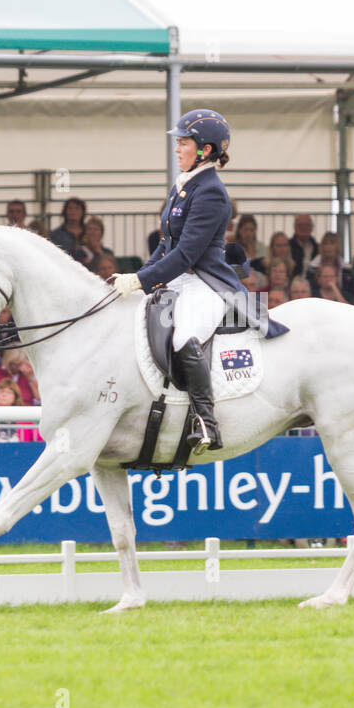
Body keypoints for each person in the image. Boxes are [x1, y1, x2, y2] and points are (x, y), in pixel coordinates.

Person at [108, 109, 289, 452]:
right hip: (178, 279)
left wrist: (141, 281)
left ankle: (205, 419)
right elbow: (166, 245)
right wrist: (138, 279)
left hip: (204, 282)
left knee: (184, 338)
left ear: (204, 150)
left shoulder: (211, 193)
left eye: (183, 142)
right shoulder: (183, 186)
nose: (177, 148)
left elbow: (186, 255)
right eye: (177, 142)